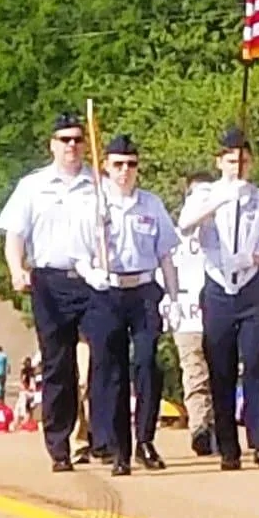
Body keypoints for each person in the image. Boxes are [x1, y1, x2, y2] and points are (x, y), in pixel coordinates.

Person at [0, 113, 101, 472]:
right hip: (50, 281)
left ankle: (102, 439)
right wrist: (16, 269)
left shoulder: (99, 183)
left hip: (93, 281)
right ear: (52, 145)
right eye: (64, 139)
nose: (72, 146)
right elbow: (15, 235)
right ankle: (59, 446)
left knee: (104, 359)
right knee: (59, 364)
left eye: (77, 139)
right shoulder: (33, 186)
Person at [177, 127, 259, 470]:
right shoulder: (206, 194)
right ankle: (228, 448)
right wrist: (219, 201)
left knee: (253, 363)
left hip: (252, 289)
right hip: (218, 288)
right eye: (229, 160)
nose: (236, 166)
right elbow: (184, 224)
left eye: (242, 160)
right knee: (220, 370)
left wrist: (256, 258)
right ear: (219, 162)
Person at [80, 134, 179, 476]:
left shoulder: (150, 205)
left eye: (131, 164)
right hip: (107, 291)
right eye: (118, 164)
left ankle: (145, 440)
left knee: (148, 362)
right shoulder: (93, 204)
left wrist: (175, 297)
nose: (125, 171)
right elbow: (78, 253)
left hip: (144, 290)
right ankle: (119, 448)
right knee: (114, 371)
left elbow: (165, 252)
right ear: (105, 166)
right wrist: (91, 272)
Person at [164, 209, 214, 457]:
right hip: (186, 318)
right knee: (194, 372)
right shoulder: (174, 238)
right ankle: (200, 427)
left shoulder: (223, 234)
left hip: (218, 316)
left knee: (220, 374)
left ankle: (216, 426)